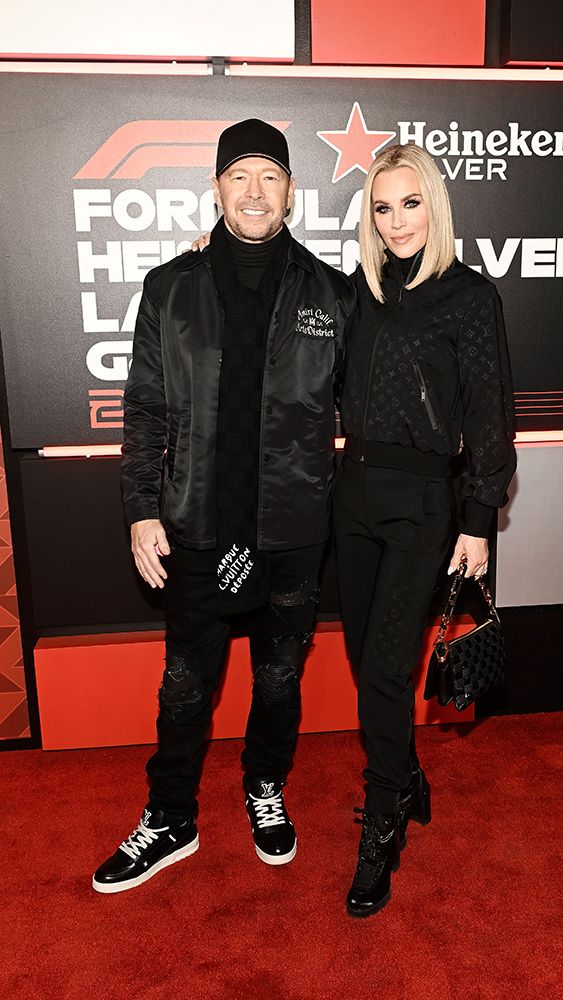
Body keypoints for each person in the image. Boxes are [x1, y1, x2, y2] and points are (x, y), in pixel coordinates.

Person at [92, 119, 355, 893]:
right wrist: (141, 507)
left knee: (279, 680)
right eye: (238, 176)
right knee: (184, 685)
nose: (252, 191)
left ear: (290, 193)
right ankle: (170, 816)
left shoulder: (332, 293)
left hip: (293, 529)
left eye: (268, 176)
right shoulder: (170, 287)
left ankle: (263, 786)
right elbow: (143, 408)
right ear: (215, 189)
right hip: (196, 526)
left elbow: (367, 410)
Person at [333, 143, 516, 917]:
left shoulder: (467, 296)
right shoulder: (356, 292)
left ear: (432, 207)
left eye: (410, 203)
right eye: (382, 206)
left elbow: (489, 416)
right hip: (351, 500)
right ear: (368, 217)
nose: (396, 220)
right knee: (358, 656)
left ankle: (383, 822)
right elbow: (278, 283)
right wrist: (212, 247)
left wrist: (477, 521)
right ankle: (404, 774)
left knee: (384, 670)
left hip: (422, 506)